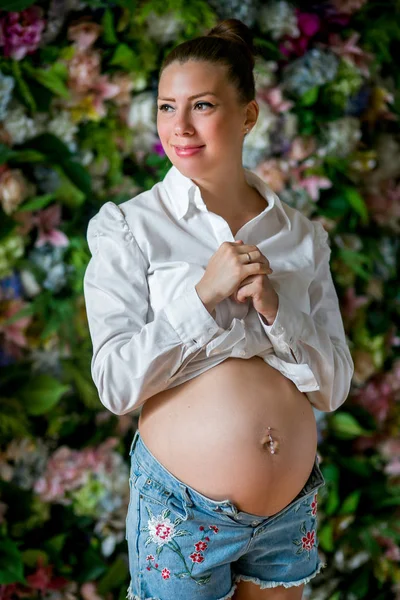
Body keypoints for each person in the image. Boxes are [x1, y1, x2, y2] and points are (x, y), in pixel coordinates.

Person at [83, 18, 354, 600]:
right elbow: (115, 383)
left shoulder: (302, 237)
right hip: (183, 513)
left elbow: (333, 387)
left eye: (202, 105)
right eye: (165, 106)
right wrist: (203, 296)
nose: (178, 126)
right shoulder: (129, 226)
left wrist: (279, 310)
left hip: (288, 512)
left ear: (249, 115)